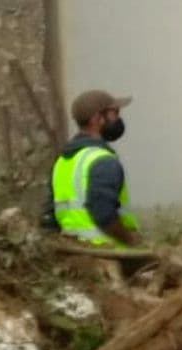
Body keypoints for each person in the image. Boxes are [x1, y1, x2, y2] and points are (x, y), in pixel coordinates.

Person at [45, 90, 144, 248]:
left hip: (74, 252)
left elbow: (49, 219)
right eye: (115, 113)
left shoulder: (61, 162)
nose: (119, 119)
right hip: (108, 252)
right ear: (97, 119)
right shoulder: (103, 161)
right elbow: (104, 215)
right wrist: (131, 241)